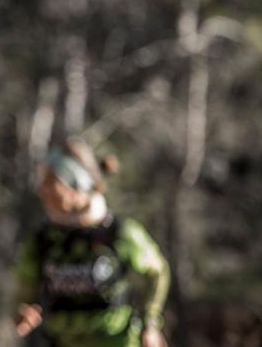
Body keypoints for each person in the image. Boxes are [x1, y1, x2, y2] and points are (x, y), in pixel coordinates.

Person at [13, 138, 171, 347]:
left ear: (78, 185)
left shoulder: (120, 234)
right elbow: (24, 293)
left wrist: (150, 324)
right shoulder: (42, 240)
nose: (42, 190)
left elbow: (157, 273)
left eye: (51, 182)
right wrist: (23, 311)